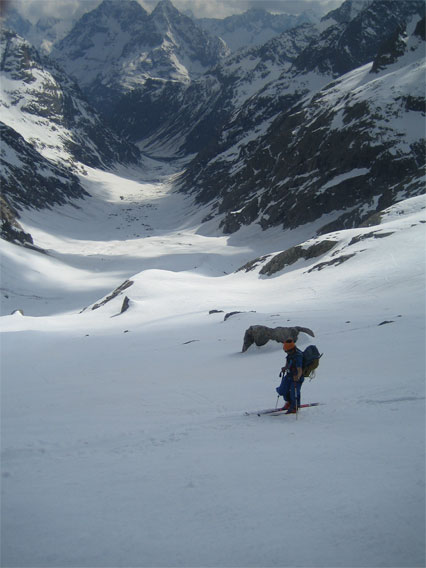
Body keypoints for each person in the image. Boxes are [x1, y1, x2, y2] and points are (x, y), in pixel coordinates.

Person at [276, 339, 304, 414]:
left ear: (291, 349)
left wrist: (297, 377)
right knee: (282, 390)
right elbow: (288, 363)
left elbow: (300, 369)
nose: (286, 352)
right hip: (289, 375)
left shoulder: (298, 356)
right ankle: (288, 403)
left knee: (294, 392)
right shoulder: (290, 354)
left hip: (296, 377)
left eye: (286, 351)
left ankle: (294, 407)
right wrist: (285, 368)